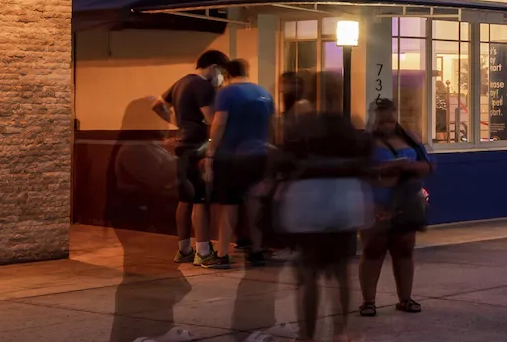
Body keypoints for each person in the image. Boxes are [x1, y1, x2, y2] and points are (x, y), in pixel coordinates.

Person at [273, 74, 370, 342]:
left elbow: (283, 160)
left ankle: (308, 335)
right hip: (344, 201)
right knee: (341, 272)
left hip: (307, 203)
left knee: (307, 274)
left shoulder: (300, 123)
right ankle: (341, 331)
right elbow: (365, 161)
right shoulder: (350, 125)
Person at [154, 48, 228, 267]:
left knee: (185, 199)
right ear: (214, 67)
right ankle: (204, 252)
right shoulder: (203, 86)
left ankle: (184, 249)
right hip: (198, 147)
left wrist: (177, 124)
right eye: (222, 71)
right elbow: (211, 119)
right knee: (200, 201)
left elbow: (157, 105)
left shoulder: (181, 82)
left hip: (182, 146)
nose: (222, 77)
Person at [360, 97, 432, 317]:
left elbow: (428, 166)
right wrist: (384, 168)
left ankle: (405, 298)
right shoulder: (366, 142)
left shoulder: (409, 139)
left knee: (404, 250)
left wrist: (408, 166)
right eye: (381, 121)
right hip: (377, 204)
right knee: (374, 251)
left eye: (390, 120)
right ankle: (368, 301)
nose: (386, 125)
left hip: (405, 203)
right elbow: (358, 170)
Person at [205, 58, 275, 269]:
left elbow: (219, 123)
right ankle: (257, 252)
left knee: (229, 206)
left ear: (226, 74)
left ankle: (223, 254)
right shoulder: (264, 93)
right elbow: (273, 125)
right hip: (259, 155)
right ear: (247, 71)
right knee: (255, 205)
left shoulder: (226, 93)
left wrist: (210, 152)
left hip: (231, 157)